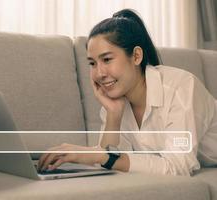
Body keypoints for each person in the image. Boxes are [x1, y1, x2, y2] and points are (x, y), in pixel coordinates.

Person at [38, 9, 217, 176]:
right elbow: (111, 164)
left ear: (137, 56)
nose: (99, 73)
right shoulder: (115, 102)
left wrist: (100, 155)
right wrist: (114, 115)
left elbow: (177, 167)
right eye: (92, 63)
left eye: (107, 59)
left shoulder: (180, 88)